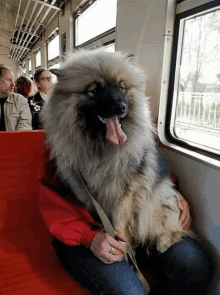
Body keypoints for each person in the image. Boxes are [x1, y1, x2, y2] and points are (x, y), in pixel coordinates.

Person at [38, 147, 212, 295]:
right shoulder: (59, 142)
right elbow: (54, 200)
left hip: (140, 229)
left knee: (195, 264)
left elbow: (154, 168)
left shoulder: (132, 123)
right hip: (88, 234)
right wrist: (89, 236)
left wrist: (170, 193)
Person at [0, 65, 32, 131]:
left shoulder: (20, 100)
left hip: (14, 140)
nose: (13, 84)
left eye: (13, 81)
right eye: (9, 80)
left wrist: (15, 140)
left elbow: (25, 125)